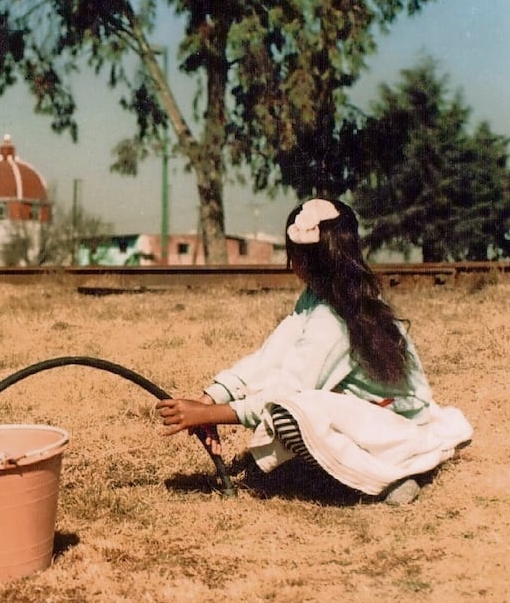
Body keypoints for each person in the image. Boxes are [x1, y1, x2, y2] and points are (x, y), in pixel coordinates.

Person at [156, 198, 472, 503]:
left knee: (288, 412)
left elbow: (286, 391)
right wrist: (210, 398)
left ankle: (383, 479)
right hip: (371, 418)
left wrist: (210, 415)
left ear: (304, 258)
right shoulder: (318, 296)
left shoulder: (334, 317)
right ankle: (358, 469)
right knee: (286, 400)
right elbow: (271, 357)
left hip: (397, 432)